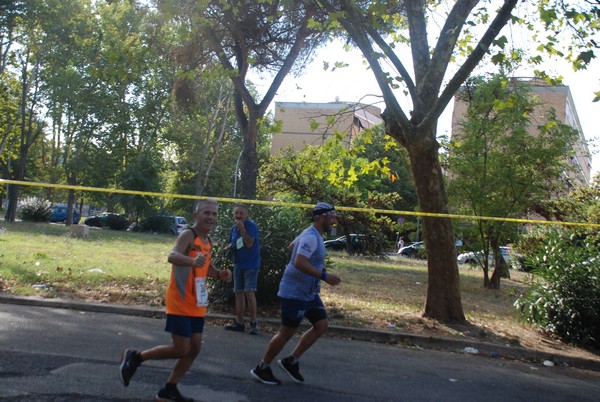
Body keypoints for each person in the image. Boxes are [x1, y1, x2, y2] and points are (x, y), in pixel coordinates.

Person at [119, 198, 232, 402]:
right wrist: (190, 260)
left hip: (197, 302)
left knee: (194, 349)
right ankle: (135, 357)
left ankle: (169, 389)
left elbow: (204, 267)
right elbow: (172, 256)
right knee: (181, 349)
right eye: (207, 213)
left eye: (214, 214)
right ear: (196, 215)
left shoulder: (207, 241)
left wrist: (219, 274)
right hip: (180, 300)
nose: (211, 217)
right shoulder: (188, 235)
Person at [250, 202, 342, 385]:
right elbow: (299, 262)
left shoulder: (312, 234)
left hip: (308, 293)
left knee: (321, 325)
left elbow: (292, 247)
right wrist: (324, 275)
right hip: (295, 293)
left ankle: (291, 361)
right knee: (286, 333)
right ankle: (262, 367)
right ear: (321, 218)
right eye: (332, 217)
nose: (334, 221)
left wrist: (313, 264)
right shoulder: (311, 237)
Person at [224, 203, 261, 334]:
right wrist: (228, 248)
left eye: (241, 213)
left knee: (249, 292)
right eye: (236, 213)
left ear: (247, 215)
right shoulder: (234, 228)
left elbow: (250, 243)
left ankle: (253, 323)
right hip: (238, 264)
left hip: (251, 265)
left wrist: (243, 230)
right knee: (238, 293)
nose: (238, 216)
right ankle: (239, 323)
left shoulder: (251, 226)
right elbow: (233, 243)